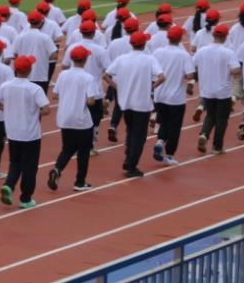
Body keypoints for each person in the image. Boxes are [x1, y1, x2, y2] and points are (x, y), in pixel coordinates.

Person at [105, 31, 164, 177]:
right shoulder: (149, 59)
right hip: (142, 103)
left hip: (126, 102)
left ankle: (128, 157)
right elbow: (162, 77)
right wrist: (152, 87)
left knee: (130, 131)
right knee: (139, 136)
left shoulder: (122, 59)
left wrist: (117, 87)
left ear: (131, 44)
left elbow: (106, 75)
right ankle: (131, 165)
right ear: (144, 44)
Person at [0, 55, 48, 209]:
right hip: (30, 133)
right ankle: (25, 198)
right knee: (30, 167)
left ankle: (9, 185)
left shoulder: (6, 86)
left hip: (12, 131)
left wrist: (7, 109)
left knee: (15, 162)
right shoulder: (35, 88)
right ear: (30, 70)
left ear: (14, 69)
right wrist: (33, 112)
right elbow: (46, 109)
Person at [48, 46, 97, 192]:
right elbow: (91, 101)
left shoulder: (63, 75)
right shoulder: (88, 78)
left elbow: (55, 95)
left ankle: (57, 169)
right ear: (85, 59)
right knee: (84, 151)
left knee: (67, 148)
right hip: (81, 120)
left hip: (64, 117)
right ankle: (80, 181)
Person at [150, 26, 194, 166]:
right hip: (176, 98)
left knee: (163, 122)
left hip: (159, 95)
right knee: (174, 126)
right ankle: (169, 154)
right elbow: (189, 75)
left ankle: (160, 141)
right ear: (180, 39)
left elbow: (152, 70)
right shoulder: (183, 55)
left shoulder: (157, 52)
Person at [194, 24, 240, 154]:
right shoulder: (229, 52)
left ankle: (204, 133)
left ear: (213, 35)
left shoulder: (202, 51)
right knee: (222, 119)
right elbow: (235, 70)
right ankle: (217, 146)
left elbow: (194, 65)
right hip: (223, 91)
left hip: (207, 89)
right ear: (225, 37)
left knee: (210, 115)